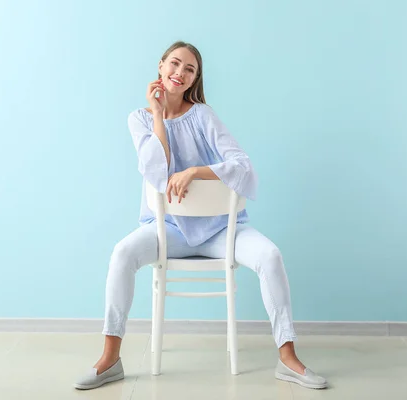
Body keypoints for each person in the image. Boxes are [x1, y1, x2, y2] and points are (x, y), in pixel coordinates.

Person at [74, 41, 327, 391]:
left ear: (194, 79)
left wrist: (196, 170)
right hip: (167, 232)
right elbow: (156, 173)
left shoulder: (204, 116)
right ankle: (110, 358)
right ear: (161, 66)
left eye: (189, 69)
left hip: (221, 231)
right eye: (175, 64)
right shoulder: (140, 119)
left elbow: (243, 166)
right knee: (122, 254)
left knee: (270, 256)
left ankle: (288, 357)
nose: (180, 73)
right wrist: (159, 115)